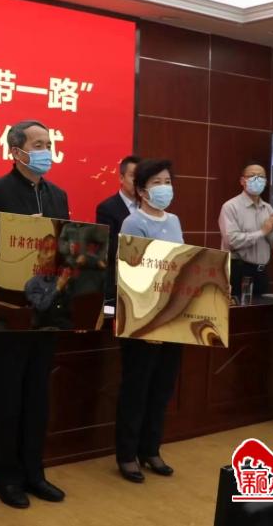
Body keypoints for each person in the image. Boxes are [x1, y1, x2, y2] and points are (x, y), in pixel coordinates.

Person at [0, 120, 69, 509]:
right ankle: (6, 478)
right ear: (16, 151)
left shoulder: (58, 195)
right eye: (38, 144)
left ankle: (34, 473)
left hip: (45, 310)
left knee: (38, 396)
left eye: (48, 143)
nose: (46, 150)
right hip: (7, 311)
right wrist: (15, 233)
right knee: (6, 397)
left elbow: (66, 246)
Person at [115, 158, 183, 483]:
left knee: (162, 388)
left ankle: (151, 449)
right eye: (157, 183)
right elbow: (132, 274)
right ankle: (127, 455)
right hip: (142, 318)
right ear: (141, 190)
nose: (164, 188)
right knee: (137, 388)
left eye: (168, 181)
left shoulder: (175, 220)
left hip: (172, 318)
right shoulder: (133, 223)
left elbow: (182, 265)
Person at [218, 161, 273, 300]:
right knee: (239, 311)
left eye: (261, 176)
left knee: (260, 311)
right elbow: (232, 241)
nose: (257, 179)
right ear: (242, 181)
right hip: (239, 271)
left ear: (266, 182)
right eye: (252, 176)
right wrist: (262, 232)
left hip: (262, 272)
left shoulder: (268, 208)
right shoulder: (230, 206)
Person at [96, 155, 141, 300]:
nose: (138, 181)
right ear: (121, 178)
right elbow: (106, 248)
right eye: (133, 176)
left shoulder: (148, 208)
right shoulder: (107, 208)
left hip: (142, 282)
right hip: (116, 283)